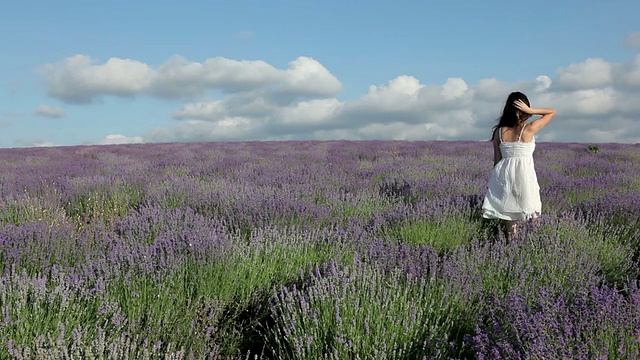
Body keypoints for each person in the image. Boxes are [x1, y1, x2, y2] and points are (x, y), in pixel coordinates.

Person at [481, 91, 556, 239]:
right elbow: (552, 112)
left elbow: (496, 161)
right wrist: (532, 111)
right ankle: (533, 244)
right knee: (532, 210)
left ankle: (512, 245)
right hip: (525, 175)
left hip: (504, 174)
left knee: (509, 213)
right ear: (525, 108)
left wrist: (493, 182)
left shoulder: (499, 132)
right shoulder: (529, 128)